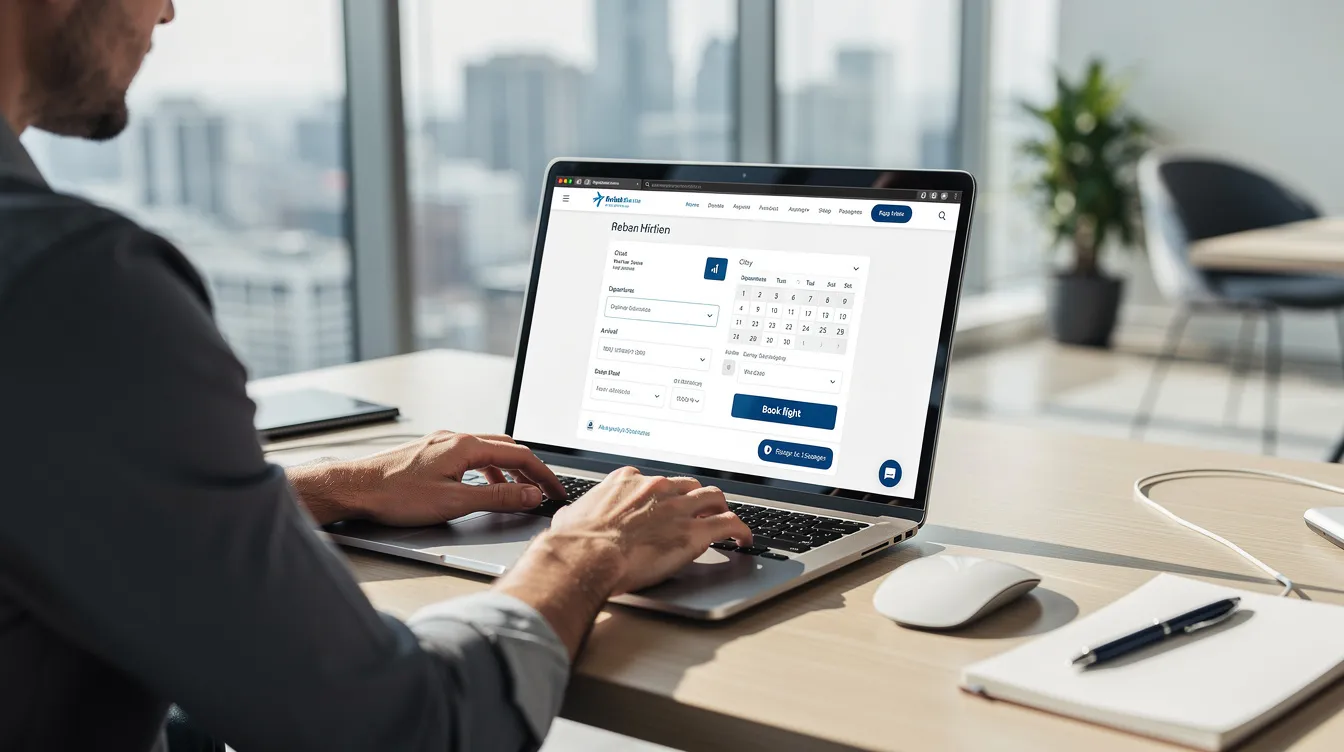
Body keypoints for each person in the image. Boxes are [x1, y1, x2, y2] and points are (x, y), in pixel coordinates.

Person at [0, 2, 752, 751]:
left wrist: (332, 489)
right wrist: (582, 552)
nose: (167, 11)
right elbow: (401, 728)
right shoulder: (68, 287)